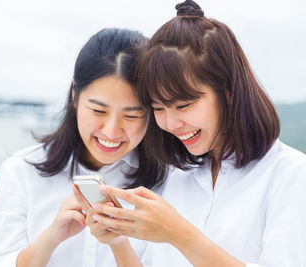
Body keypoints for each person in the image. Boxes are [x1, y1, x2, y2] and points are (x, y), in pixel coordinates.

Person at [83, 1, 306, 266]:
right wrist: (118, 240)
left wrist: (179, 234)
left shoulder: (290, 175)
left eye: (183, 105)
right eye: (158, 107)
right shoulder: (177, 176)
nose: (171, 123)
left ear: (228, 92)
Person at [0, 28, 167, 267]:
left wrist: (119, 242)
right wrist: (50, 238)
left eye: (132, 116)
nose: (111, 131)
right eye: (98, 111)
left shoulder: (168, 180)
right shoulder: (21, 172)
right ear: (75, 95)